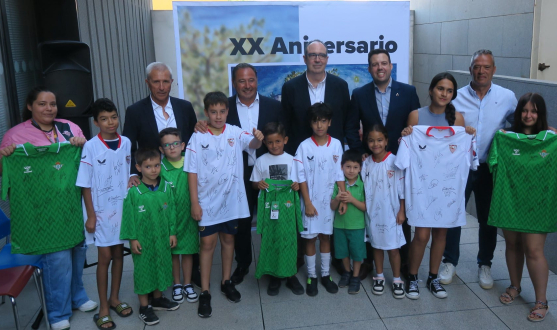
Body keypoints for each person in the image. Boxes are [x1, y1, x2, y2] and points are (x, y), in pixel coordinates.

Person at [0, 86, 95, 330]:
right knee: (57, 259)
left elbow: (87, 161)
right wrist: (4, 157)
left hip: (71, 206)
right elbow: (6, 174)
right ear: (30, 106)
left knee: (77, 252)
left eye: (52, 104)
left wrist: (82, 144)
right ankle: (57, 313)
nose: (48, 108)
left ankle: (78, 297)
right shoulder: (14, 135)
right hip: (41, 211)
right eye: (42, 104)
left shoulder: (69, 128)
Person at [195, 63, 283, 285]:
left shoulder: (274, 106)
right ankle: (243, 264)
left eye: (251, 80)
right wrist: (199, 125)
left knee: (273, 219)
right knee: (241, 222)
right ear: (234, 83)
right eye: (241, 81)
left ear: (257, 81)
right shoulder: (225, 109)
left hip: (270, 172)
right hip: (237, 175)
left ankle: (276, 266)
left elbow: (282, 137)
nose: (247, 85)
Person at [438, 50, 517, 289]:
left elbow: (520, 125)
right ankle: (450, 261)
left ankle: (485, 264)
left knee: (487, 218)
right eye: (476, 66)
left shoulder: (507, 97)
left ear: (494, 69)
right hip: (460, 167)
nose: (481, 71)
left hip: (491, 168)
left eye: (486, 67)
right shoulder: (456, 97)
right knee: (453, 215)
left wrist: (545, 130)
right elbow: (442, 128)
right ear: (470, 68)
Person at [397, 72, 477, 300]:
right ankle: (412, 276)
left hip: (448, 187)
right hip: (422, 186)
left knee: (441, 233)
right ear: (431, 90)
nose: (444, 94)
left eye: (449, 90)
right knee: (421, 235)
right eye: (440, 88)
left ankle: (433, 277)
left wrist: (468, 135)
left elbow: (466, 154)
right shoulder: (416, 116)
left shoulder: (458, 120)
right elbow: (407, 151)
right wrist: (405, 136)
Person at [185, 92, 263, 318]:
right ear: (206, 113)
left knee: (229, 240)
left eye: (222, 111)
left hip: (231, 202)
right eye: (213, 112)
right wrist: (194, 202)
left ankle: (226, 281)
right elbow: (191, 171)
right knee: (207, 244)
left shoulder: (235, 132)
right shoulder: (197, 136)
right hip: (206, 202)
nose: (218, 116)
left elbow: (253, 143)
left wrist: (259, 137)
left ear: (227, 111)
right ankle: (206, 291)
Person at [123, 61, 201, 287]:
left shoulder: (184, 107)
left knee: (186, 226)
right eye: (156, 81)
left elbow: (194, 142)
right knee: (163, 228)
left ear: (172, 83)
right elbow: (129, 146)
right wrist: (132, 174)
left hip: (183, 177)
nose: (161, 86)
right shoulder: (135, 111)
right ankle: (166, 278)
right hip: (155, 182)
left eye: (165, 81)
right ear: (147, 83)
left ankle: (189, 276)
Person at [348, 48, 421, 279]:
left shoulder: (408, 92)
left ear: (390, 66)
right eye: (375, 64)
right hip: (372, 164)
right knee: (372, 210)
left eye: (384, 63)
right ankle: (370, 263)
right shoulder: (359, 94)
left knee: (401, 214)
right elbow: (350, 127)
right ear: (369, 68)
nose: (380, 67)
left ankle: (406, 267)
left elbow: (416, 126)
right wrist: (360, 153)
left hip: (400, 164)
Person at [488, 93, 554, 322]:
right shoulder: (505, 138)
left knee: (534, 250)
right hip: (510, 200)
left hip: (538, 203)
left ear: (540, 114)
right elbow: (492, 163)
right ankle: (515, 286)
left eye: (534, 111)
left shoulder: (551, 139)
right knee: (513, 244)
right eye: (524, 110)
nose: (528, 115)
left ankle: (541, 301)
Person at [77, 98, 132, 329]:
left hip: (122, 210)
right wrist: (90, 215)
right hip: (100, 212)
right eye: (104, 119)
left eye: (114, 117)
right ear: (96, 122)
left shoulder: (126, 142)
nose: (111, 122)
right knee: (105, 258)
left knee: (120, 255)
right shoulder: (90, 146)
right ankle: (103, 308)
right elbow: (85, 184)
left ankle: (115, 298)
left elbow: (128, 171)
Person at [120, 148, 180, 326]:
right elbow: (128, 217)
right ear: (138, 167)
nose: (153, 170)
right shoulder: (134, 192)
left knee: (160, 266)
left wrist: (172, 232)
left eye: (156, 165)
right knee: (144, 271)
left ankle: (158, 299)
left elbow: (172, 212)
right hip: (143, 240)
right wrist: (132, 239)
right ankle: (145, 307)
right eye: (148, 166)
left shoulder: (166, 188)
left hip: (162, 238)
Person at [292, 103, 346, 296]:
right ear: (310, 123)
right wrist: (307, 202)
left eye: (323, 121)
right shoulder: (304, 147)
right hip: (311, 202)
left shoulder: (337, 144)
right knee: (310, 238)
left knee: (325, 237)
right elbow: (301, 176)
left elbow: (340, 173)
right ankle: (311, 276)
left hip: (329, 203)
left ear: (329, 122)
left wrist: (343, 198)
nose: (319, 125)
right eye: (315, 121)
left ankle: (325, 275)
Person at [251, 122, 304, 296]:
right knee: (270, 239)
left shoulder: (292, 160)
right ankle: (274, 275)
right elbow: (254, 183)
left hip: (288, 208)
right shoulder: (261, 160)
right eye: (270, 142)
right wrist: (258, 184)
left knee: (289, 240)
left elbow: (298, 182)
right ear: (265, 143)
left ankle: (290, 275)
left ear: (285, 140)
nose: (274, 146)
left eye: (278, 141)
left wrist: (296, 186)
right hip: (269, 208)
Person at [281, 39, 360, 155]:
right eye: (313, 55)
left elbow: (348, 123)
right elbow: (285, 125)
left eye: (321, 55)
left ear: (327, 59)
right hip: (299, 156)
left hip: (333, 156)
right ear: (305, 59)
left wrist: (356, 152)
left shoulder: (341, 86)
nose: (317, 60)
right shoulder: (290, 88)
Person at [361, 125, 406, 299]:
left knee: (393, 248)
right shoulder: (366, 163)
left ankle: (396, 279)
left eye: (379, 140)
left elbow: (402, 188)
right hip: (373, 214)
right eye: (371, 140)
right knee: (377, 247)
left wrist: (402, 210)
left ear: (386, 141)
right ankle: (379, 276)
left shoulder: (395, 161)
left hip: (392, 213)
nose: (376, 144)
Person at [158, 128, 199, 304]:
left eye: (175, 144)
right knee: (174, 252)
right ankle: (176, 284)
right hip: (170, 218)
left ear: (182, 145)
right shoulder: (159, 169)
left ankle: (187, 283)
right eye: (167, 145)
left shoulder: (190, 163)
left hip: (188, 216)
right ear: (162, 150)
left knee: (188, 251)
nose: (172, 148)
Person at [330, 149, 366, 295]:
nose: (351, 170)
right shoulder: (338, 185)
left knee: (357, 252)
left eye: (355, 167)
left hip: (357, 226)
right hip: (339, 226)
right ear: (341, 167)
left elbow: (365, 207)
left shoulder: (363, 185)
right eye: (348, 167)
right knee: (343, 251)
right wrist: (338, 198)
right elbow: (332, 206)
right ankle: (347, 272)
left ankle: (356, 276)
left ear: (360, 169)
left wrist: (352, 200)